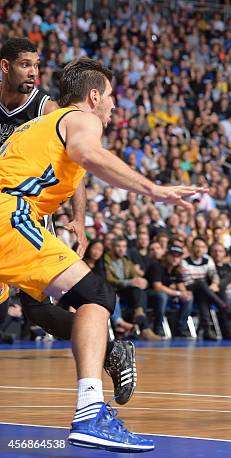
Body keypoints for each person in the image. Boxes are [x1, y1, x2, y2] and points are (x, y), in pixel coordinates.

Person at [0, 57, 205, 451]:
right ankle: (91, 413)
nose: (114, 106)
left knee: (46, 308)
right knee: (96, 296)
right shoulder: (82, 119)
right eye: (111, 97)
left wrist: (77, 218)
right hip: (10, 216)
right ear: (94, 96)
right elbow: (89, 154)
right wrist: (156, 190)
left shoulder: (37, 125)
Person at [0, 38, 136, 408]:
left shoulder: (47, 107)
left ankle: (104, 360)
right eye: (26, 65)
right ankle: (108, 352)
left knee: (41, 305)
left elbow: (75, 160)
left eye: (37, 65)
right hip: (8, 203)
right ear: (5, 66)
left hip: (26, 212)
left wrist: (78, 217)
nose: (33, 72)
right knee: (37, 309)